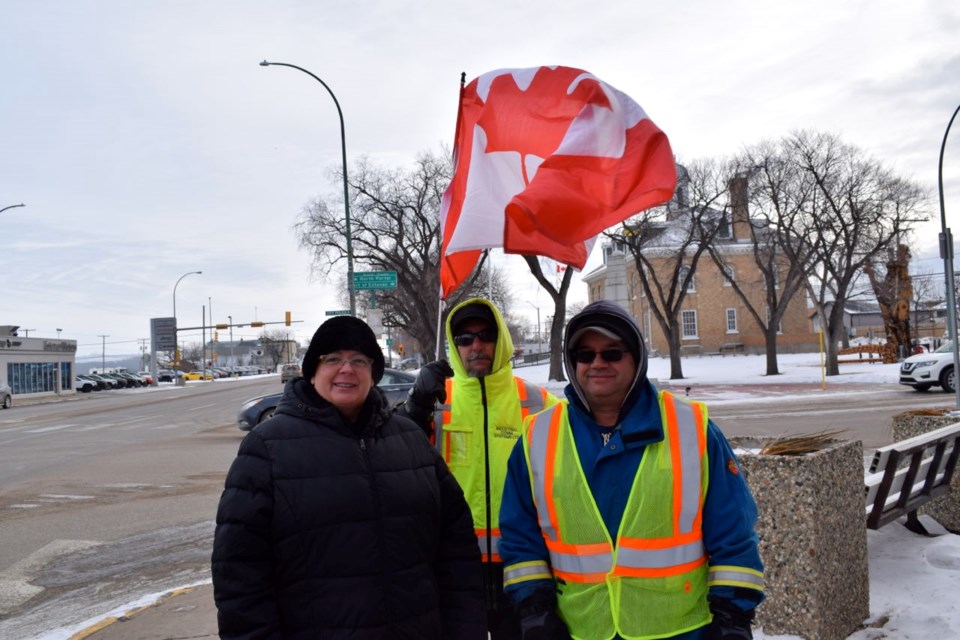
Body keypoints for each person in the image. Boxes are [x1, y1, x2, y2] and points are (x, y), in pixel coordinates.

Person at [499, 300, 765, 640]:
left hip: (680, 631)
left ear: (635, 359)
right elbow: (521, 539)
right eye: (585, 354)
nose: (597, 363)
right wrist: (535, 612)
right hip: (580, 629)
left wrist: (733, 619)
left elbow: (734, 533)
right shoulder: (538, 436)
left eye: (612, 353)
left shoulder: (691, 428)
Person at [212, 315, 486, 639]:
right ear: (312, 371)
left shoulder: (410, 440)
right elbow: (240, 576)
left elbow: (456, 552)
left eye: (359, 360)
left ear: (374, 373)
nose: (347, 369)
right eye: (333, 359)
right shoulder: (266, 448)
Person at [398, 297, 561, 640]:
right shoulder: (439, 400)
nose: (477, 345)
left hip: (522, 564)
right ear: (454, 346)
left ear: (500, 338)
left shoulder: (538, 402)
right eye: (465, 338)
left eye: (486, 335)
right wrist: (415, 406)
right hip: (456, 563)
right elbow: (397, 457)